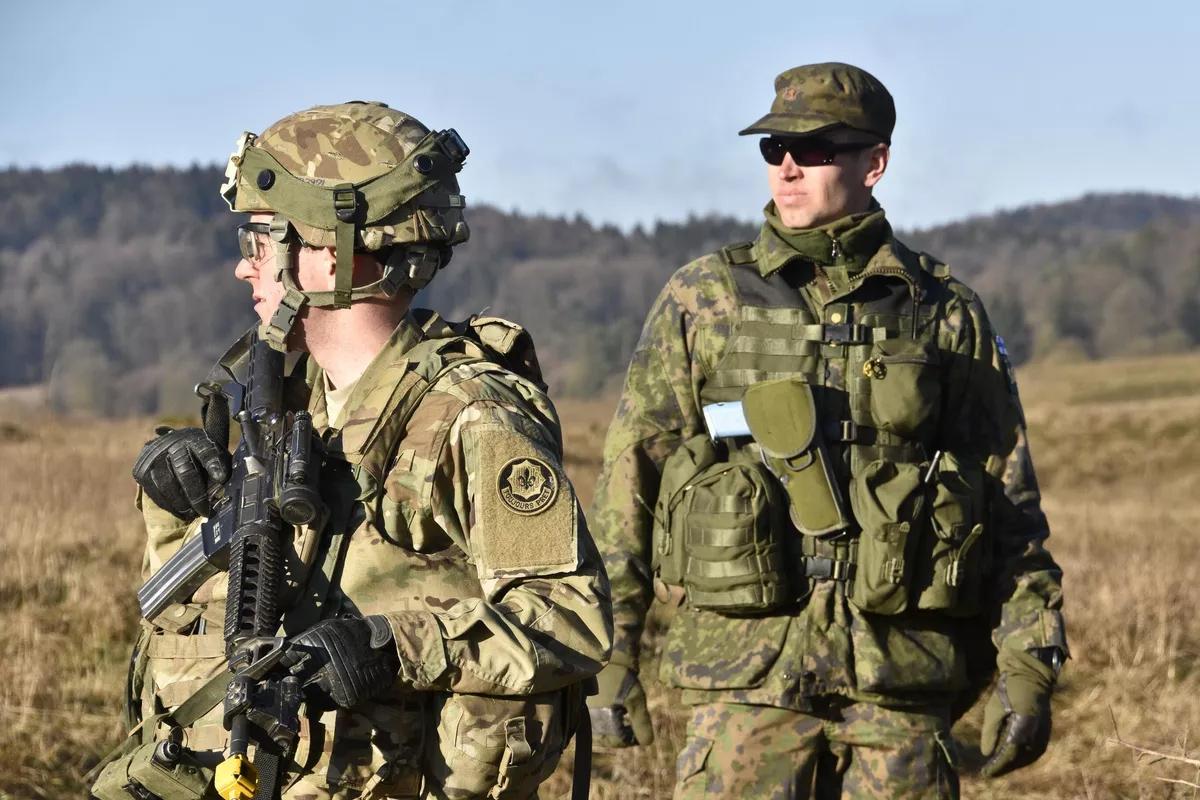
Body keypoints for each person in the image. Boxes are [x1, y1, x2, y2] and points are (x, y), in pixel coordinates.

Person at [102, 102, 612, 800]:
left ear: (338, 253)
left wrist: (392, 647)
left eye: (261, 241)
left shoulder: (474, 414)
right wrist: (171, 503)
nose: (243, 269)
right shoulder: (282, 392)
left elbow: (570, 618)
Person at [586, 63, 1067, 799]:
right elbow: (634, 478)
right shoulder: (705, 297)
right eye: (774, 147)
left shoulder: (941, 310)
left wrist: (1030, 662)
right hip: (744, 678)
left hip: (900, 681)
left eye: (815, 149)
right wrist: (609, 651)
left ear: (873, 162)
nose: (787, 166)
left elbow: (1006, 498)